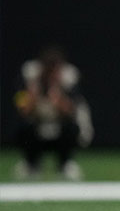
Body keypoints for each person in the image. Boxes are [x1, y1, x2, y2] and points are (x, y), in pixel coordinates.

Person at [12, 45, 92, 181]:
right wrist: (33, 97)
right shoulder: (29, 79)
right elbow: (22, 109)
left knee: (72, 129)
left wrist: (58, 99)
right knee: (23, 128)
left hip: (60, 127)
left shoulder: (69, 80)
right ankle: (31, 164)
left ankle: (65, 163)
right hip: (37, 126)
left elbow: (72, 110)